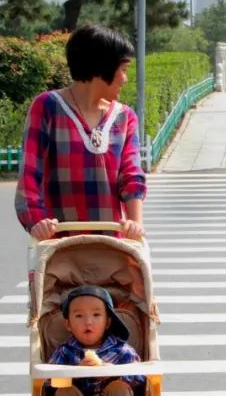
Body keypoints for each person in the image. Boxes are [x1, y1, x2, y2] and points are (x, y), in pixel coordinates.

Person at [15, 24, 145, 241]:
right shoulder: (47, 107)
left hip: (111, 245)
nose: (125, 79)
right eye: (123, 69)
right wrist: (37, 222)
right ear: (102, 66)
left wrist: (135, 224)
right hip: (58, 244)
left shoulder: (125, 117)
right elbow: (29, 175)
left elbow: (132, 176)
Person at [47, 285, 146, 396]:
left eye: (96, 315)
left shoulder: (121, 349)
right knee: (64, 390)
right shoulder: (65, 351)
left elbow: (140, 377)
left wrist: (111, 371)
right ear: (68, 324)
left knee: (119, 388)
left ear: (107, 322)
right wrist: (75, 372)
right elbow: (49, 380)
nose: (88, 322)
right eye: (79, 316)